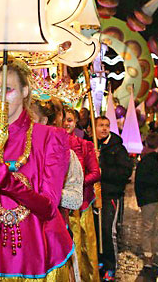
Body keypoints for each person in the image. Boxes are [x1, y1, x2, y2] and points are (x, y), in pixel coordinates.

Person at [0, 59, 73, 281]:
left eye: (7, 89)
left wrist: (9, 183)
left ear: (25, 91)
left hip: (41, 253)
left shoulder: (51, 138)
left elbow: (48, 208)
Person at [63, 108, 101, 282]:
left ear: (76, 121)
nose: (66, 123)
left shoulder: (86, 145)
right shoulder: (52, 143)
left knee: (80, 247)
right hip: (57, 206)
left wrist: (76, 184)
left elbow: (95, 172)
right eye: (63, 119)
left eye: (70, 120)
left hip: (80, 205)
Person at [95, 116, 133, 281]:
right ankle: (99, 260)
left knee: (108, 231)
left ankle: (111, 266)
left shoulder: (118, 148)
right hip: (93, 196)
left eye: (107, 125)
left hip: (110, 196)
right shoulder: (92, 145)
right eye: (100, 125)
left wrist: (103, 171)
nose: (104, 128)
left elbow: (125, 173)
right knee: (96, 231)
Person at [134, 132, 158, 269]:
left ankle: (154, 251)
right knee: (149, 226)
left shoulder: (149, 158)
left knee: (155, 226)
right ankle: (148, 255)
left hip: (152, 197)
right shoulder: (149, 159)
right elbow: (143, 180)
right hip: (149, 198)